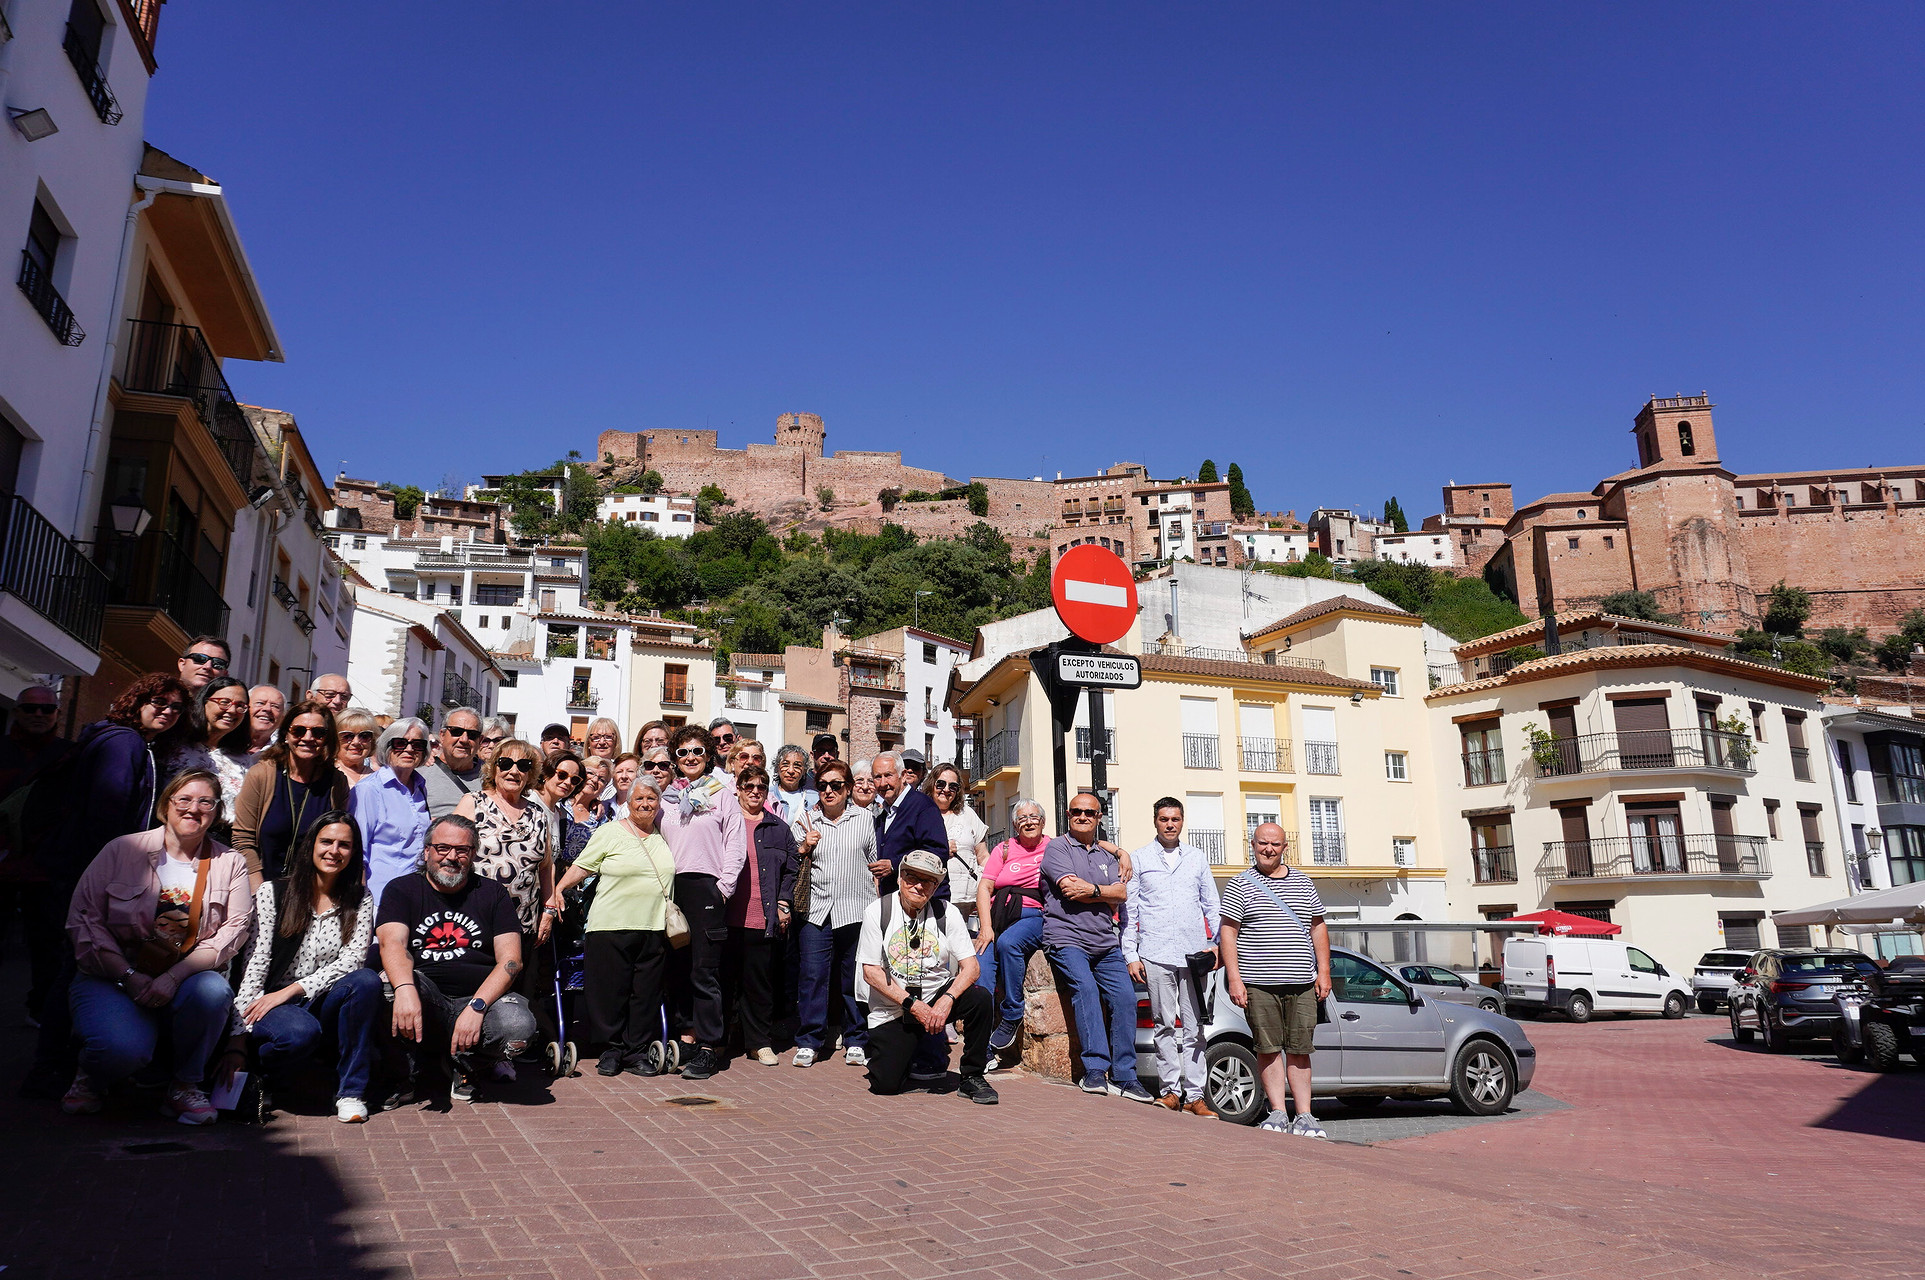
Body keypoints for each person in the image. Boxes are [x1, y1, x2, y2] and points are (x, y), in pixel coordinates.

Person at [17, 674, 187, 1097]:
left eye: (175, 707)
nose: (166, 710)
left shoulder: (122, 740)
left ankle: (62, 1064)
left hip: (83, 872)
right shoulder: (123, 744)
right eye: (157, 701)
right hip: (94, 877)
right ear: (136, 700)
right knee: (76, 966)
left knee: (75, 964)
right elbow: (109, 815)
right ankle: (53, 1068)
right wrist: (119, 881)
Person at [62, 769, 253, 1123]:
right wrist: (128, 974)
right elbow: (85, 918)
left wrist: (176, 975)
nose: (193, 809)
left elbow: (234, 929)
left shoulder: (230, 862)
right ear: (166, 805)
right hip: (112, 975)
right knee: (121, 1051)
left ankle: (185, 1085)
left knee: (213, 991)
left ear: (216, 811)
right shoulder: (123, 849)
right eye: (184, 799)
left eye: (205, 802)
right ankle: (92, 1072)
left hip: (183, 977)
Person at [226, 812, 381, 1122]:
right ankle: (265, 1068)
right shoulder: (274, 893)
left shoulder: (360, 898)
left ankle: (351, 1092)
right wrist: (237, 1041)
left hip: (321, 998)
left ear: (353, 853)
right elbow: (256, 963)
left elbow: (352, 960)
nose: (334, 851)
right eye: (326, 841)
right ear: (311, 845)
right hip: (274, 1005)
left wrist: (294, 990)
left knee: (366, 980)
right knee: (299, 1034)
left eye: (344, 845)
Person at [376, 815, 534, 1103]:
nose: (452, 857)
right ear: (427, 852)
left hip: (478, 997)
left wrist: (477, 1006)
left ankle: (467, 1062)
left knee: (517, 1028)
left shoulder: (492, 893)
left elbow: (511, 960)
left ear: (472, 855)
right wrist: (405, 989)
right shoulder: (401, 889)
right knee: (386, 988)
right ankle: (405, 1074)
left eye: (462, 850)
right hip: (427, 994)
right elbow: (392, 944)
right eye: (442, 848)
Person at [551, 777, 675, 1076]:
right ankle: (611, 1049)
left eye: (651, 799)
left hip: (654, 926)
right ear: (628, 803)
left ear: (659, 804)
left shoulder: (664, 836)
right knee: (609, 992)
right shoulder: (610, 832)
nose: (645, 804)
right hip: (610, 925)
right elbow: (583, 865)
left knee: (645, 994)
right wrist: (558, 889)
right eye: (639, 799)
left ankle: (636, 1052)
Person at [856, 850, 998, 1103]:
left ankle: (972, 1075)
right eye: (912, 877)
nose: (919, 886)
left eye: (928, 880)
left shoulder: (947, 912)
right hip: (895, 1006)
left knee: (980, 999)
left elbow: (971, 968)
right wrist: (912, 1005)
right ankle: (906, 1053)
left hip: (935, 998)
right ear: (900, 877)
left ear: (936, 886)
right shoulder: (877, 911)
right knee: (885, 1085)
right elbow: (871, 972)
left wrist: (948, 999)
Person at [1220, 822, 1332, 1138]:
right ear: (1252, 845)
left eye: (1276, 844)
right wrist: (1234, 978)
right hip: (1258, 983)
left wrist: (1324, 971)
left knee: (1300, 1049)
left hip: (1301, 983)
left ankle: (1306, 1116)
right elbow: (1228, 932)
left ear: (1285, 847)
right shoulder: (1239, 885)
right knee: (1268, 1050)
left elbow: (1318, 927)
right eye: (1262, 843)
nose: (1268, 849)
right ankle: (1278, 1112)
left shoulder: (1304, 883)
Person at [1041, 790, 1153, 1102]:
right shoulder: (1056, 848)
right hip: (1066, 938)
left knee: (1126, 999)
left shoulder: (1107, 856)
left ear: (1099, 817)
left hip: (1105, 942)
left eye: (1090, 812)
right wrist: (1106, 891)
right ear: (1068, 814)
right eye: (1077, 811)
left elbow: (1122, 894)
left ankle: (1125, 1076)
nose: (1083, 816)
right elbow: (1068, 890)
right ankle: (1094, 1069)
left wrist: (1093, 888)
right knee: (1087, 991)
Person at [452, 740, 555, 1059]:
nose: (514, 770)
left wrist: (549, 909)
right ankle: (464, 1060)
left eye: (523, 766)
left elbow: (546, 867)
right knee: (473, 994)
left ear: (531, 774)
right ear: (493, 767)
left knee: (510, 998)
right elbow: (451, 854)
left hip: (521, 926)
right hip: (475, 924)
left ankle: (499, 1057)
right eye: (506, 763)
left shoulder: (539, 813)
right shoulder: (473, 802)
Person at [656, 724, 744, 1081]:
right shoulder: (665, 799)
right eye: (682, 752)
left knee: (704, 971)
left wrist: (723, 888)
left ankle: (710, 1045)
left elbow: (735, 844)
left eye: (697, 752)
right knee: (676, 968)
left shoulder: (722, 794)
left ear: (708, 757)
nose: (690, 758)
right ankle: (686, 1038)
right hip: (671, 891)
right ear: (675, 759)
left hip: (706, 888)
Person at [1124, 797, 1222, 1116]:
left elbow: (1212, 904)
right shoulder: (1139, 859)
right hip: (1155, 952)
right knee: (1164, 1024)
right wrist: (1131, 954)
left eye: (1175, 819)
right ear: (1155, 821)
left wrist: (1216, 944)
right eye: (1164, 818)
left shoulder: (1196, 858)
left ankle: (1195, 1095)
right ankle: (1170, 1091)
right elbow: (1131, 910)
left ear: (1182, 822)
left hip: (1194, 954)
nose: (1170, 824)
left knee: (1194, 1027)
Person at [787, 759, 877, 1068]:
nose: (828, 791)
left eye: (836, 785)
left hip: (856, 909)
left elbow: (876, 860)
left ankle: (856, 1038)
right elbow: (790, 862)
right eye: (822, 785)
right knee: (812, 977)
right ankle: (810, 1041)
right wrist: (803, 848)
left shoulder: (866, 819)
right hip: (817, 910)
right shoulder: (806, 821)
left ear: (848, 788)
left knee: (854, 978)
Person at [232, 700, 349, 888]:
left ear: (327, 738)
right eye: (299, 730)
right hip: (260, 886)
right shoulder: (262, 775)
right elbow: (243, 839)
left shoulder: (336, 783)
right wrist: (260, 892)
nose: (308, 738)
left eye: (318, 732)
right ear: (286, 734)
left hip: (309, 891)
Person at [724, 764, 797, 1066]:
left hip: (760, 916)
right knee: (724, 982)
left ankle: (759, 1042)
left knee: (759, 984)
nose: (755, 791)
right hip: (726, 916)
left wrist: (783, 902)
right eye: (749, 786)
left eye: (761, 787)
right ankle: (718, 1042)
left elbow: (792, 866)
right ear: (738, 789)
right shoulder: (725, 821)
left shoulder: (777, 828)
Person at [974, 801, 1050, 1054]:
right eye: (1021, 819)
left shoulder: (1054, 846)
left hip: (1034, 915)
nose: (1028, 821)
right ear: (1015, 825)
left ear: (1043, 821)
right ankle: (981, 1042)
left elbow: (1089, 843)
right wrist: (986, 927)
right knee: (981, 964)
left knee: (1009, 943)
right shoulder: (1004, 849)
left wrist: (1119, 852)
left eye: (1033, 817)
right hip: (1000, 916)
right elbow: (984, 887)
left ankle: (1012, 1013)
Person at [349, 718, 433, 912]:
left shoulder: (420, 787)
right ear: (387, 746)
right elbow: (357, 851)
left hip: (416, 893)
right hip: (379, 897)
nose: (409, 749)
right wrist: (360, 903)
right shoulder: (369, 790)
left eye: (417, 744)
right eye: (400, 743)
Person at [157, 676, 255, 818]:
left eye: (241, 706)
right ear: (204, 702)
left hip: (222, 837)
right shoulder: (174, 743)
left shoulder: (243, 760)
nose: (233, 710)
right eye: (224, 702)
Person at [870, 751, 946, 898]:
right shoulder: (883, 814)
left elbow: (937, 852)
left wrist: (894, 864)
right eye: (878, 777)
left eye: (888, 775)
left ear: (903, 775)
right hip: (896, 901)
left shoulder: (923, 807)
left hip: (924, 900)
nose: (883, 783)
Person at [927, 764, 987, 935]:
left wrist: (986, 886)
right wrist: (940, 849)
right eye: (941, 784)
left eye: (953, 786)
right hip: (931, 897)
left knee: (958, 949)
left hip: (965, 899)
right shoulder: (921, 814)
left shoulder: (967, 814)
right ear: (932, 784)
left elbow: (983, 856)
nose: (946, 790)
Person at [0, 683, 71, 801]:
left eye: (47, 709)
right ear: (16, 712)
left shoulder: (71, 755)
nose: (38, 714)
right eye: (30, 709)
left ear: (58, 714)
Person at [423, 707, 484, 821]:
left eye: (472, 734)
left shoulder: (492, 775)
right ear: (442, 735)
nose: (464, 739)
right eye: (456, 731)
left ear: (480, 741)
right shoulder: (420, 773)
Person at [334, 707, 380, 787]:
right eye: (347, 736)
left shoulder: (379, 779)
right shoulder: (326, 776)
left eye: (364, 736)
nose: (356, 742)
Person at [771, 745, 816, 822]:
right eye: (785, 764)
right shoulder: (767, 796)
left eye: (797, 765)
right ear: (777, 768)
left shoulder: (814, 798)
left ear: (804, 770)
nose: (791, 771)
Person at [572, 755, 612, 828]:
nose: (595, 780)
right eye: (590, 773)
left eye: (602, 780)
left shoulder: (600, 818)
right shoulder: (559, 801)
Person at [247, 685, 286, 754]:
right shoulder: (225, 740)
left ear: (282, 716)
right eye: (260, 703)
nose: (267, 709)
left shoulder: (285, 751)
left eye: (275, 706)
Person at [606, 752, 640, 820]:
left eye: (630, 771)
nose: (624, 776)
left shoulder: (643, 807)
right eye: (619, 771)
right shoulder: (604, 806)